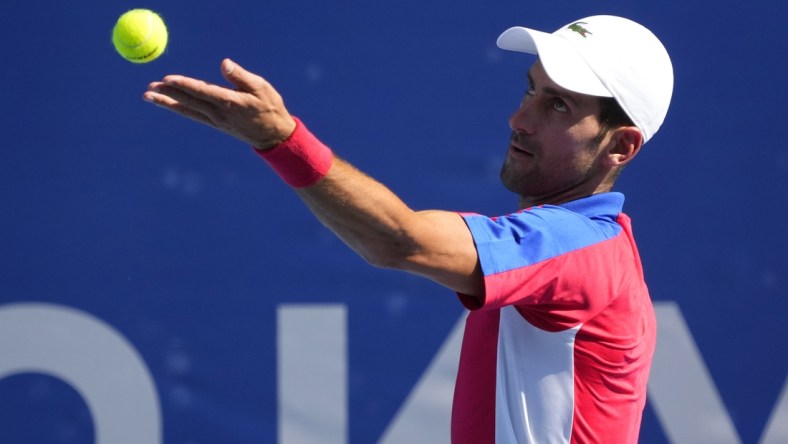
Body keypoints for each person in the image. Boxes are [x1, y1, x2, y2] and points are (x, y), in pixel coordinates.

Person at [144, 14, 673, 444]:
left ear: (620, 147)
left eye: (559, 106)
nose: (520, 118)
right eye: (531, 90)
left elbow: (399, 240)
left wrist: (282, 140)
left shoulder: (579, 245)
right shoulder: (585, 245)